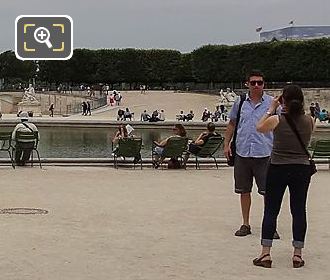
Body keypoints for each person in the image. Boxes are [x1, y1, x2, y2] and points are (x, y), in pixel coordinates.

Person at [253, 85, 314, 269]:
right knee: (298, 210)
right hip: (301, 168)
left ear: (283, 102)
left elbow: (259, 127)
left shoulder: (276, 120)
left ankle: (265, 254)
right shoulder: (310, 121)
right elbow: (307, 141)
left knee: (271, 210)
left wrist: (271, 108)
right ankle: (297, 254)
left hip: (278, 166)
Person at [224, 70, 280, 238]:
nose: (256, 85)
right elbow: (232, 124)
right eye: (253, 82)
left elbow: (282, 125)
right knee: (243, 190)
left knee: (268, 193)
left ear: (264, 84)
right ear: (247, 84)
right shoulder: (240, 102)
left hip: (265, 152)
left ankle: (270, 225)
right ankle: (245, 223)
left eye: (260, 82)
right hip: (242, 152)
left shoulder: (272, 103)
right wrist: (226, 144)